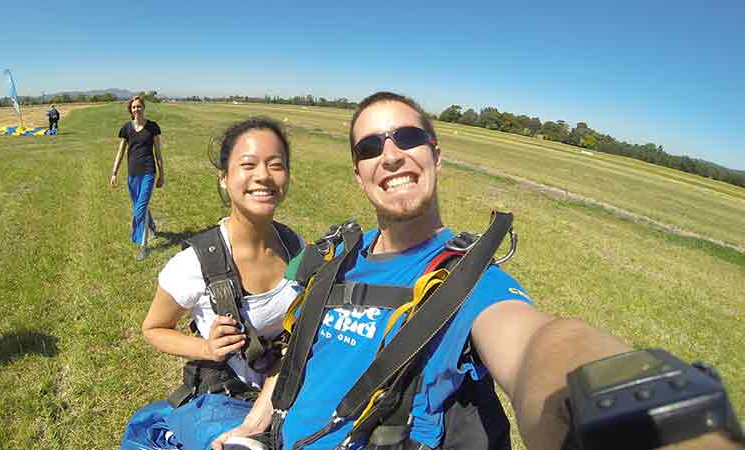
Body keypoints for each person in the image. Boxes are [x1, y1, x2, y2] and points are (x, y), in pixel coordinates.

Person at [211, 92, 742, 450]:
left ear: (436, 155)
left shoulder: (470, 283)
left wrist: (636, 411)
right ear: (358, 173)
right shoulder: (333, 257)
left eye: (407, 138)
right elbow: (300, 355)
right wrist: (254, 424)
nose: (391, 155)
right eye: (371, 146)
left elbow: (543, 344)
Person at [121, 117, 304, 450]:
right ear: (224, 179)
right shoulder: (194, 264)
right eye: (247, 165)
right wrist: (206, 348)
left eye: (276, 165)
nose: (263, 175)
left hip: (285, 393)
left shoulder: (295, 246)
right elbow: (153, 328)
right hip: (225, 395)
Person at [110, 96, 165, 260]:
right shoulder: (126, 129)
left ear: (144, 107)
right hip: (132, 173)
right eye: (133, 107)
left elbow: (158, 153)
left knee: (139, 208)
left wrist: (162, 174)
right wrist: (114, 172)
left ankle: (143, 245)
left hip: (148, 171)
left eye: (139, 106)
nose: (136, 109)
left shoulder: (153, 128)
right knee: (141, 204)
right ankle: (152, 226)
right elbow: (120, 152)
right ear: (130, 110)